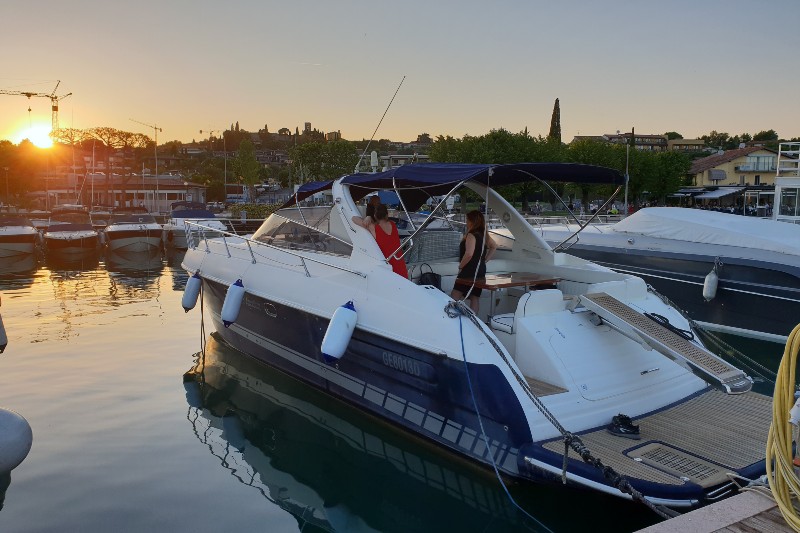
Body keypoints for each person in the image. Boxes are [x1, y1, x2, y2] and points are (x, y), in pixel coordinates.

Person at [451, 210, 497, 314]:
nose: (466, 222)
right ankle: (474, 323)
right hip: (480, 270)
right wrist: (484, 260)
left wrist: (461, 266)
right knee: (474, 298)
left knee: (454, 296)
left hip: (469, 270)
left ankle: (453, 321)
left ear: (472, 221)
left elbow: (469, 254)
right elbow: (494, 247)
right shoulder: (484, 235)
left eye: (467, 220)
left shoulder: (472, 235)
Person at [352, 203, 408, 278]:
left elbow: (354, 219)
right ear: (386, 215)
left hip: (389, 268)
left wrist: (368, 217)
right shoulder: (393, 224)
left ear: (375, 216)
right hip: (400, 265)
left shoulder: (374, 228)